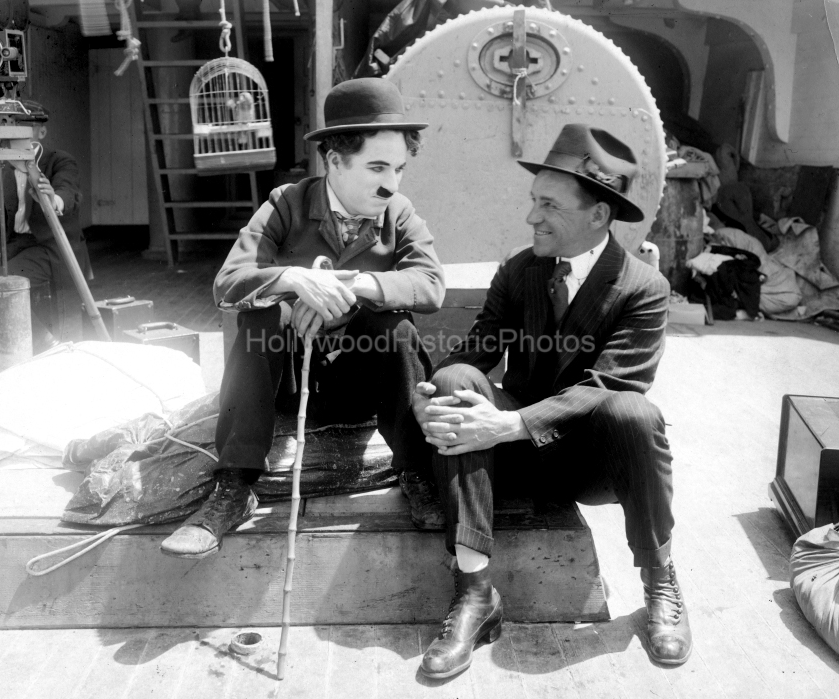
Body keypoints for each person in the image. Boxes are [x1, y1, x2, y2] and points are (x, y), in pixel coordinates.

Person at [411, 124, 692, 678]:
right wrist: (428, 394)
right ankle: (474, 594)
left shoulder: (642, 289)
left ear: (598, 216)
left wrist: (510, 422)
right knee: (456, 382)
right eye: (533, 201)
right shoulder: (521, 271)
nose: (532, 217)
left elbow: (608, 388)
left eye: (548, 205)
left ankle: (660, 580)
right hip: (513, 457)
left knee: (635, 412)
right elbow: (477, 349)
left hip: (587, 463)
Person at [160, 78, 447, 559]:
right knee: (262, 319)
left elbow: (430, 284)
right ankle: (234, 487)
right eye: (377, 167)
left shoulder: (398, 212)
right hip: (288, 388)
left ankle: (416, 471)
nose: (391, 183)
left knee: (394, 326)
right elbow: (228, 284)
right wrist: (293, 280)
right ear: (334, 161)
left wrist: (344, 287)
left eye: (398, 168)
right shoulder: (285, 205)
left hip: (363, 390)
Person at [0, 99, 88, 351]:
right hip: (16, 243)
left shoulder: (58, 161)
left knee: (1, 283)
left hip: (51, 246)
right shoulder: (1, 165)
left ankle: (47, 343)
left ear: (41, 132)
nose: (16, 132)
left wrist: (53, 199)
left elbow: (67, 191)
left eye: (24, 126)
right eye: (12, 124)